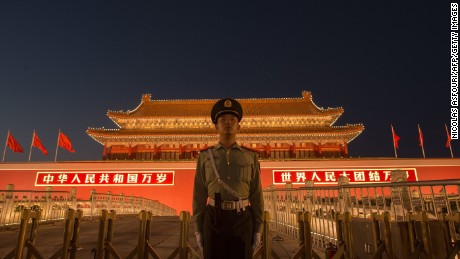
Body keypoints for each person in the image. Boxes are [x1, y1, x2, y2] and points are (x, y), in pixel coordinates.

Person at [192, 98, 264, 259]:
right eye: (223, 120)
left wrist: (258, 229)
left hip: (243, 218)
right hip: (213, 218)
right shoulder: (205, 156)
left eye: (232, 119)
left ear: (239, 126)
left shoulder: (250, 156)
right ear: (216, 126)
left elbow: (257, 195)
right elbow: (199, 195)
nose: (228, 123)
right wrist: (198, 228)